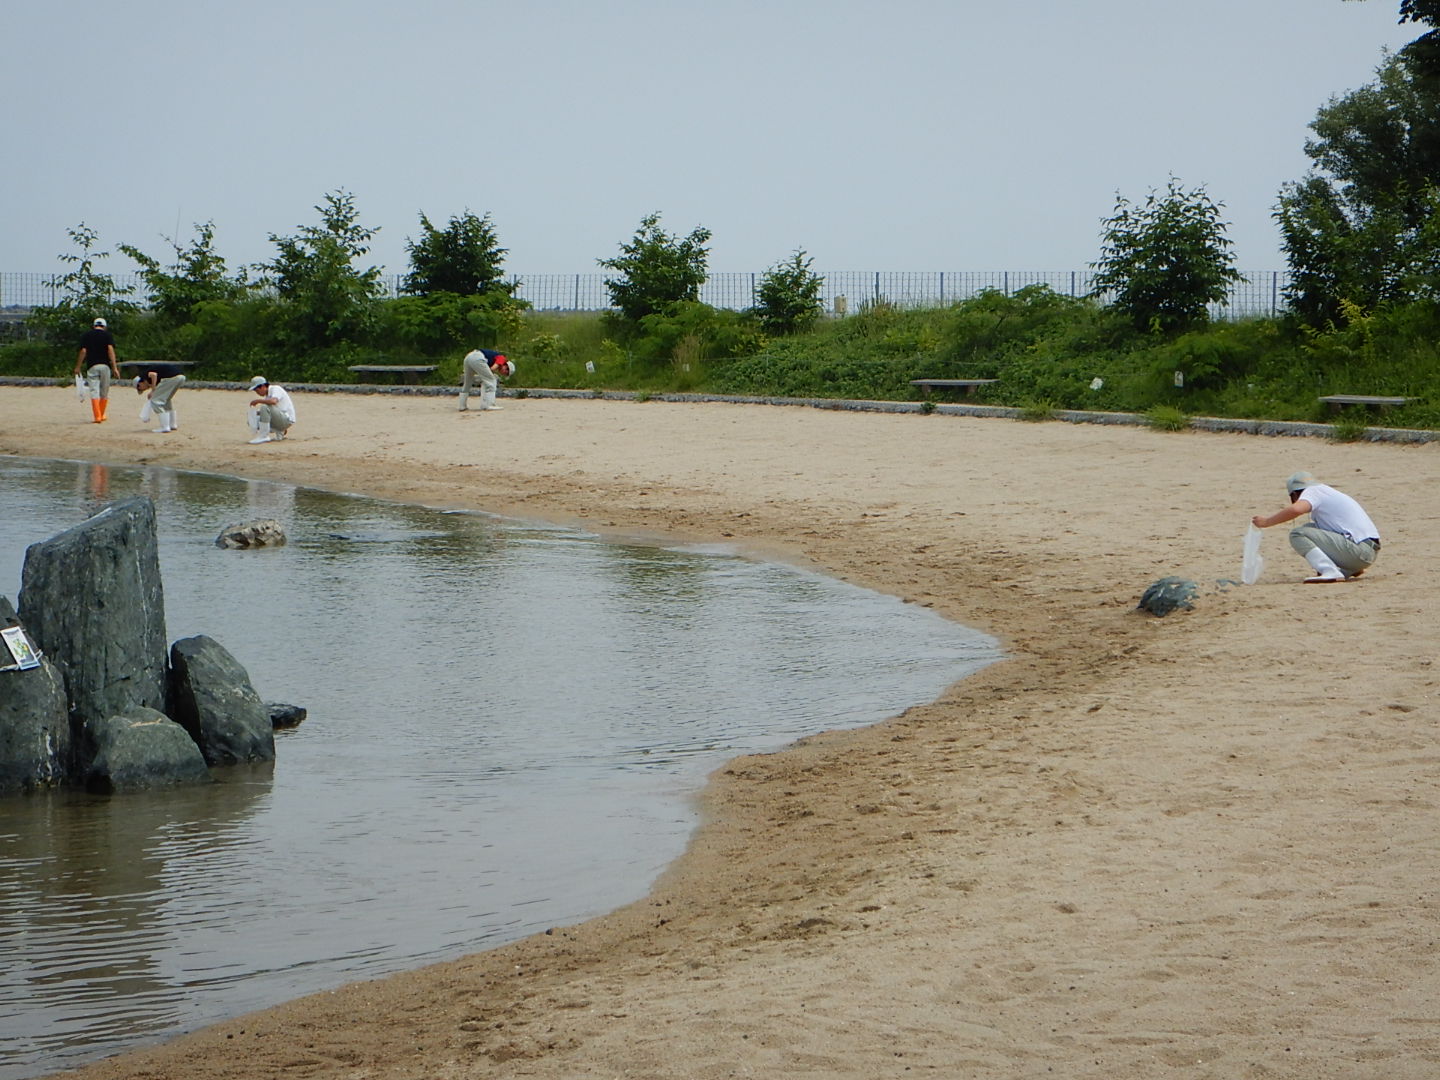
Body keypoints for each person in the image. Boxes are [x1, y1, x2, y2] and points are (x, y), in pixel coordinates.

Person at [1251, 471, 1381, 583]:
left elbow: (1296, 509)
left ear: (1295, 494)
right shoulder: (1326, 491)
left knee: (1298, 534)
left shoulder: (1313, 491)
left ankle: (1329, 571)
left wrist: (1267, 522)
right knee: (1311, 528)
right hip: (1367, 551)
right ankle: (1348, 568)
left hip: (1360, 552)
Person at [73, 317, 121, 423]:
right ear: (104, 326)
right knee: (104, 391)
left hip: (92, 366)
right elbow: (110, 350)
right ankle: (102, 414)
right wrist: (114, 367)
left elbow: (83, 351)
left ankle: (97, 416)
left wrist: (78, 366)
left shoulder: (87, 335)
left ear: (94, 325)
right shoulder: (107, 335)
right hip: (105, 366)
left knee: (94, 391)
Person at [133, 363, 187, 434]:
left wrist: (153, 391)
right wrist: (154, 390)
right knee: (166, 400)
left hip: (171, 378)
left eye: (141, 389)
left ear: (139, 384)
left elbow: (153, 375)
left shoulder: (144, 376)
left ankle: (165, 427)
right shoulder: (148, 378)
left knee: (155, 401)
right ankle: (172, 424)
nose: (144, 389)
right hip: (181, 377)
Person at [246, 376, 297, 444]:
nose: (257, 393)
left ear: (263, 386)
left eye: (257, 390)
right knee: (253, 419)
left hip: (287, 419)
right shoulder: (268, 396)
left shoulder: (275, 389)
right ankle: (279, 431)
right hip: (281, 418)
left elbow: (273, 401)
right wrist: (253, 414)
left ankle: (263, 436)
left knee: (264, 407)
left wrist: (258, 401)